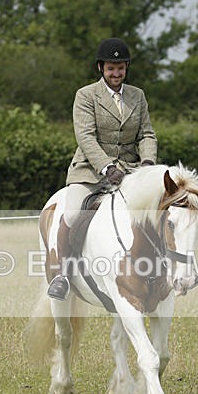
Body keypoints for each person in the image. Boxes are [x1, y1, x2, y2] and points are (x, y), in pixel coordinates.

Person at [47, 37, 158, 300]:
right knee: (72, 214)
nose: (116, 73)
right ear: (101, 68)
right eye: (111, 68)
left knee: (158, 212)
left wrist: (148, 165)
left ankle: (159, 271)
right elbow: (85, 137)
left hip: (131, 170)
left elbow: (147, 135)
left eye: (120, 68)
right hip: (90, 169)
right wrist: (107, 167)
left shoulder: (137, 96)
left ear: (126, 67)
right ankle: (62, 274)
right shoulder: (85, 95)